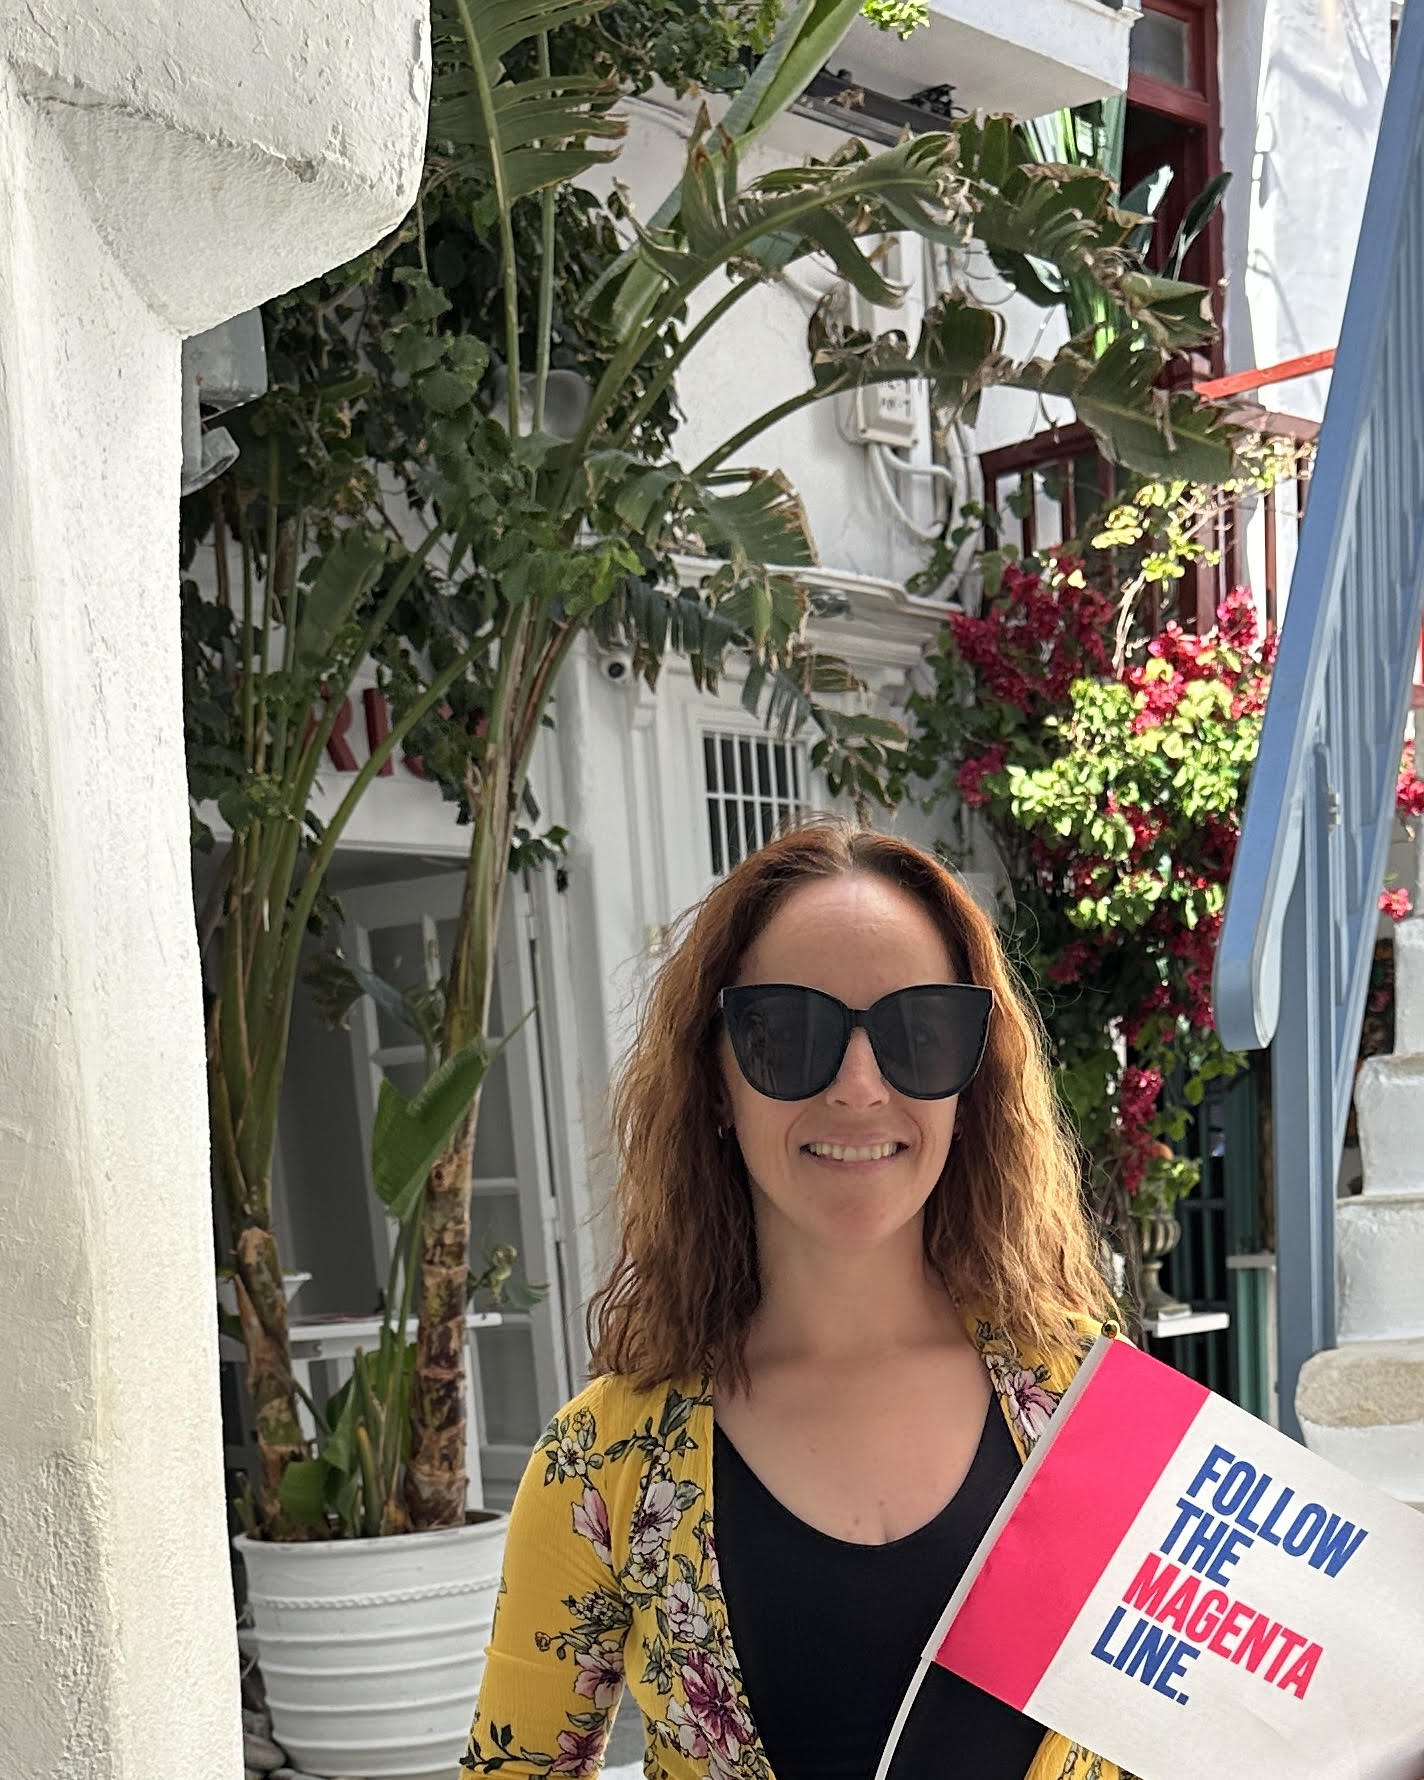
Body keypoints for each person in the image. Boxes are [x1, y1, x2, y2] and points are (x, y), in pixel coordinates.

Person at [460, 818, 1122, 1780]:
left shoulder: (1089, 1402)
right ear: (717, 1080)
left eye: (919, 1032)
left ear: (971, 1082)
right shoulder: (601, 1466)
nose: (859, 1087)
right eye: (788, 1032)